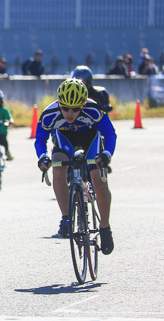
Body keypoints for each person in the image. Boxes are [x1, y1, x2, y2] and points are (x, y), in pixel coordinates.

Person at [35, 78, 116, 254]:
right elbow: (40, 139)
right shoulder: (50, 113)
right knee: (58, 168)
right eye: (65, 108)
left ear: (83, 105)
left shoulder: (93, 109)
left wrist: (106, 155)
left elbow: (109, 133)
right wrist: (43, 158)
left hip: (90, 139)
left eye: (75, 109)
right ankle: (66, 218)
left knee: (99, 182)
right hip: (65, 140)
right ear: (59, 104)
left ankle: (105, 227)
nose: (70, 114)